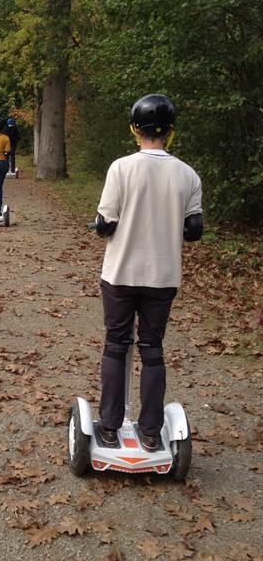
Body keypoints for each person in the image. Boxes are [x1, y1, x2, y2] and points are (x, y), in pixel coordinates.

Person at [94, 94, 203, 452]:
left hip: (121, 273)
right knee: (152, 349)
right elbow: (194, 230)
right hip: (162, 276)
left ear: (133, 129)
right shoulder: (188, 175)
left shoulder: (121, 168)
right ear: (170, 131)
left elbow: (104, 225)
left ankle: (109, 427)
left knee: (116, 344)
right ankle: (152, 432)